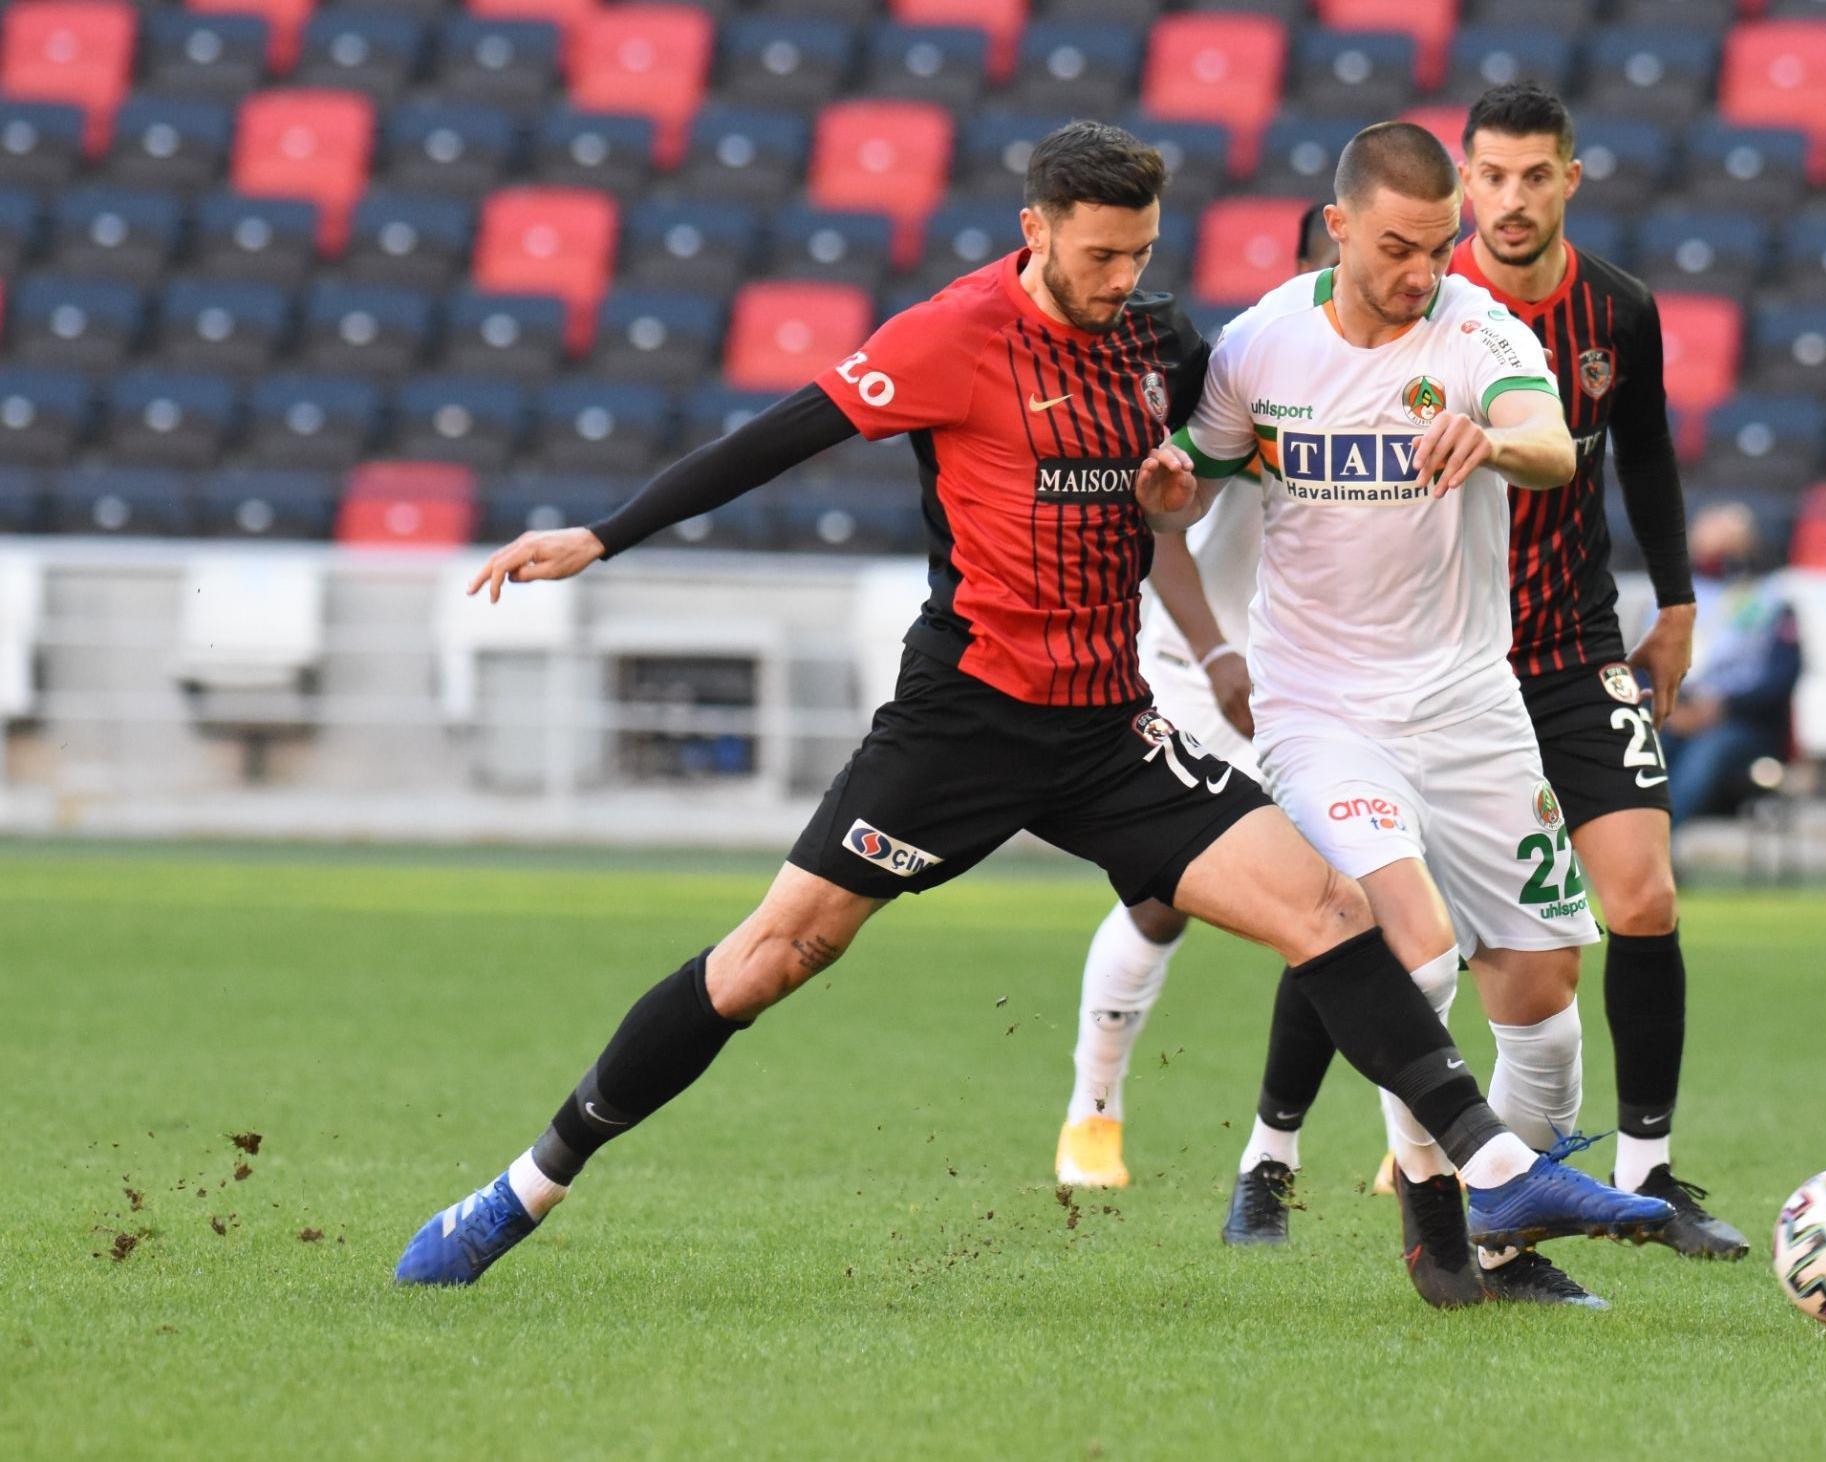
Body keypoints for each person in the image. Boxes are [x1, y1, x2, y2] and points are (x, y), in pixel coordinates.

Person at [392, 123, 1669, 1295]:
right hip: (965, 724)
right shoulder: (947, 337)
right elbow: (777, 438)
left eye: (1141, 254)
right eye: (1101, 255)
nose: (1122, 278)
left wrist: (1191, 494)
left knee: (1329, 910)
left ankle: (1489, 1172)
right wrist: (605, 538)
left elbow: (1216, 463)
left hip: (1109, 728)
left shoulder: (1157, 342)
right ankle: (522, 1189)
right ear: (1037, 231)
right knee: (774, 957)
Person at [1218, 83, 1752, 1265]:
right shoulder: (1282, 339)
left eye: (1529, 178)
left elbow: (1611, 449)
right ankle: (1305, 1158)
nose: (1504, 205)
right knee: (1377, 925)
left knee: (1608, 928)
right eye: (1487, 179)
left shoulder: (1569, 319)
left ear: (1570, 178)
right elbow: (1202, 462)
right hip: (1363, 680)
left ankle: (1621, 1179)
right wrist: (1204, 632)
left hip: (1544, 654)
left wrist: (1671, 599)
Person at [1172, 119, 1648, 1310]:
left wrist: (1491, 438)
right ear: (1338, 228)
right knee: (1415, 952)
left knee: (1540, 997)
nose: (1421, 272)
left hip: (1468, 699)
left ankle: (1503, 1236)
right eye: (1396, 248)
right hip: (1319, 705)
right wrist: (1169, 491)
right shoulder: (1261, 346)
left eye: (1438, 248)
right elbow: (1188, 482)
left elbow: (1552, 445)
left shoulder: (1477, 328)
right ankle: (1436, 1228)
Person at [1053, 204, 1340, 1190]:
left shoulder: (1424, 377)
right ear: (1303, 263)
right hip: (1202, 666)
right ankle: (1093, 1110)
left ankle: (1409, 1147)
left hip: (1329, 680)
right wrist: (1219, 654)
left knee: (1373, 894)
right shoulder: (1241, 367)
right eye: (1334, 261)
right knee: (1158, 899)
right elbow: (1161, 525)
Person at [1661, 503, 1800, 829]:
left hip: (1744, 724)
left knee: (1707, 754)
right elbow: (1643, 666)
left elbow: (1781, 678)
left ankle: (1660, 848)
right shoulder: (1674, 595)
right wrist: (1672, 708)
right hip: (1676, 713)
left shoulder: (1771, 599)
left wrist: (1723, 708)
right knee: (1639, 749)